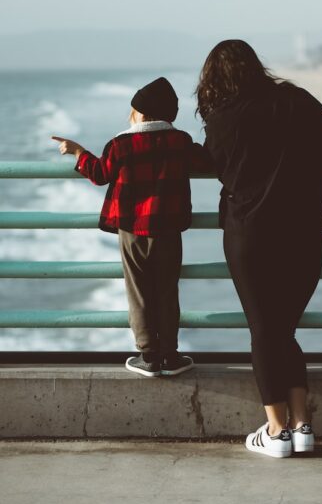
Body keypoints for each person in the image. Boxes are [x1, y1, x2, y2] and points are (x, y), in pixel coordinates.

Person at [196, 40, 322, 458]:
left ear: (214, 79)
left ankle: (277, 430)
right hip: (304, 234)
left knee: (265, 330)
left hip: (249, 235)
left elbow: (213, 165)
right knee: (282, 329)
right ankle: (302, 426)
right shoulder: (296, 100)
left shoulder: (223, 118)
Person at [52, 77, 211, 377]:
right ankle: (170, 355)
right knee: (167, 291)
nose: (128, 116)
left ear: (142, 114)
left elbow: (100, 174)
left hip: (131, 230)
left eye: (133, 111)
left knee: (138, 291)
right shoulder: (180, 142)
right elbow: (206, 161)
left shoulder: (120, 145)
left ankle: (148, 354)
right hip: (168, 230)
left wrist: (77, 152)